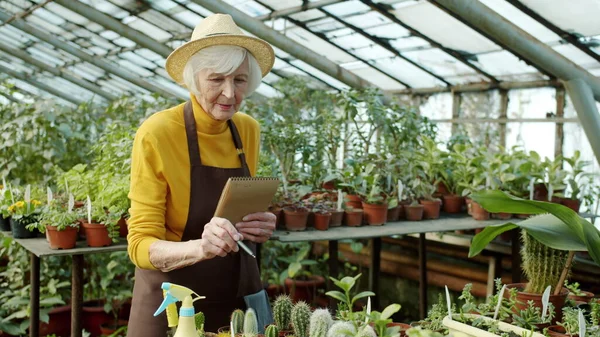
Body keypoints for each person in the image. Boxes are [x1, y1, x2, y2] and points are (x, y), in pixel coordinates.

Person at [126, 13, 277, 337]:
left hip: (236, 300)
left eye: (239, 80)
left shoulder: (247, 130)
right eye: (216, 79)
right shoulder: (159, 133)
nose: (229, 94)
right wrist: (201, 248)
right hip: (171, 303)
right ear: (195, 79)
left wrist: (258, 222)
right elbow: (140, 245)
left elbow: (233, 213)